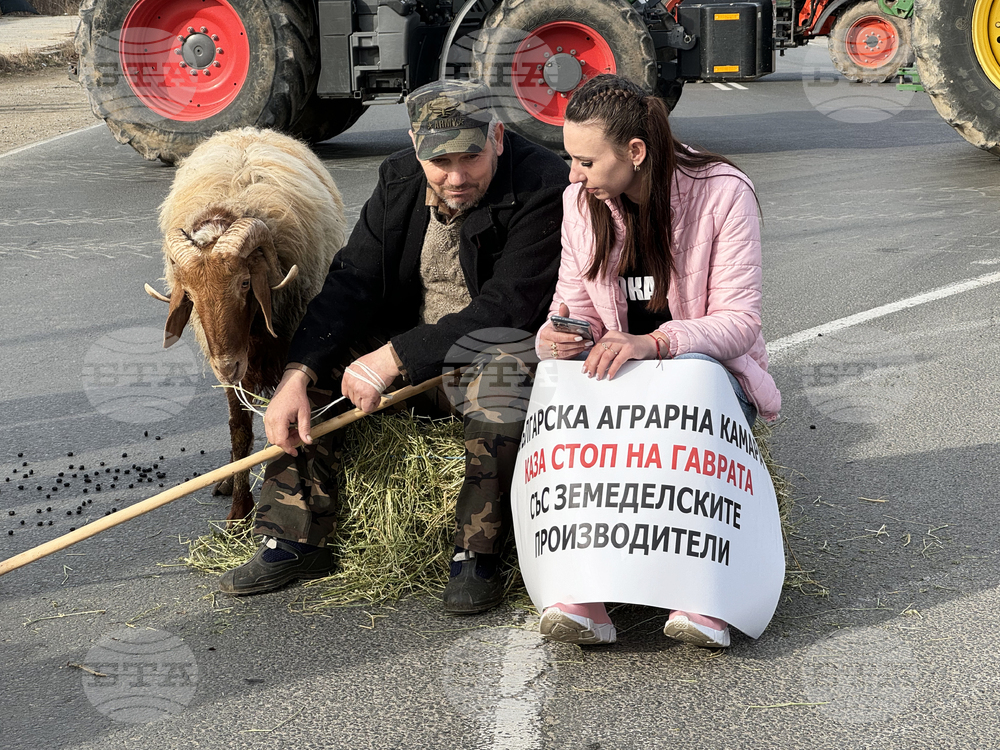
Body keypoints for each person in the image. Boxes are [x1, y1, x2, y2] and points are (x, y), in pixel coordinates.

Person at [218, 79, 570, 614]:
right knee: (314, 371)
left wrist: (394, 358)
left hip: (482, 352)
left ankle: (477, 553)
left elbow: (508, 308)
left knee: (503, 370)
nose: (455, 176)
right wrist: (298, 373)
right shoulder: (398, 179)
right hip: (408, 349)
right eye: (439, 160)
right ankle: (293, 537)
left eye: (470, 157)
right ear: (414, 144)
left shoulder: (546, 184)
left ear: (497, 137)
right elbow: (351, 282)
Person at [534, 74, 781, 648]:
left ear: (635, 153)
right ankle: (585, 596)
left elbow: (739, 322)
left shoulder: (724, 192)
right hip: (627, 369)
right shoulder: (580, 203)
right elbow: (571, 307)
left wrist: (658, 342)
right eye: (570, 160)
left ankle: (701, 595)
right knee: (563, 398)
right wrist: (560, 336)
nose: (574, 175)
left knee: (685, 404)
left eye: (586, 162)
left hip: (705, 372)